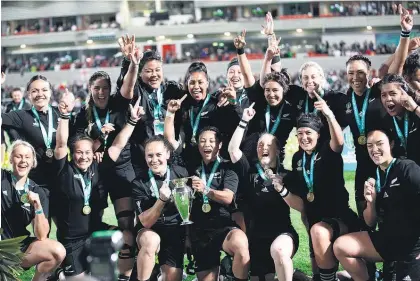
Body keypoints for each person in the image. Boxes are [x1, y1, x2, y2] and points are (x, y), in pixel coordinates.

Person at [282, 94, 359, 281]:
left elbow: (339, 143)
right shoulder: (298, 159)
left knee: (318, 231)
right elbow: (299, 193)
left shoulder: (327, 149)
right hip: (315, 220)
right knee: (315, 233)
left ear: (318, 134)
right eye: (300, 133)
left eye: (308, 133)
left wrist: (329, 115)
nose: (304, 137)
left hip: (339, 217)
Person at [72, 71, 136, 279]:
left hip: (121, 170)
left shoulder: (118, 106)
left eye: (105, 88)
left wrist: (132, 64)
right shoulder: (82, 115)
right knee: (92, 223)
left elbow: (128, 85)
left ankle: (126, 275)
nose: (101, 92)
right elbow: (81, 148)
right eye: (96, 88)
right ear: (90, 90)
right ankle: (95, 269)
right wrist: (98, 138)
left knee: (127, 223)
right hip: (95, 173)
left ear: (110, 89)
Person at [334, 129, 420, 281]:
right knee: (341, 246)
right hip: (387, 240)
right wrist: (371, 201)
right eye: (369, 146)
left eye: (379, 144)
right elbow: (370, 222)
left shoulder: (407, 168)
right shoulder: (375, 175)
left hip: (412, 246)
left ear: (391, 144)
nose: (374, 150)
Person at [228, 103, 299, 281]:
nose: (263, 148)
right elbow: (233, 150)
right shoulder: (249, 171)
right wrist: (244, 120)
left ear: (277, 149)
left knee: (280, 251)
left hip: (282, 234)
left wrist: (282, 189)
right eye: (260, 145)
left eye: (269, 145)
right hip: (255, 239)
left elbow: (301, 206)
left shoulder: (286, 175)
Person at [52, 89, 110, 277]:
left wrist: (101, 136)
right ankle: (59, 274)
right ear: (71, 153)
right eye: (79, 152)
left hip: (93, 236)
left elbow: (98, 146)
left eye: (87, 152)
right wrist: (64, 115)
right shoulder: (63, 170)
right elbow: (61, 144)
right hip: (71, 241)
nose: (84, 156)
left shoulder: (96, 168)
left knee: (124, 237)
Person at [116, 36, 184, 175]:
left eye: (157, 70)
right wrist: (129, 62)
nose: (154, 75)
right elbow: (127, 86)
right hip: (142, 158)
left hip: (169, 157)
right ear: (140, 74)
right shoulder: (137, 92)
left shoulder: (172, 90)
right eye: (148, 71)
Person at [189, 126, 250, 281]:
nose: (206, 144)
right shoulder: (191, 167)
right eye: (202, 141)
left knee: (241, 245)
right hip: (199, 230)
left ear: (220, 144)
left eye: (211, 141)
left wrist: (206, 190)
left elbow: (228, 197)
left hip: (223, 226)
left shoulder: (228, 167)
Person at [1, 140, 66, 281]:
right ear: (11, 158)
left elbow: (42, 235)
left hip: (17, 248)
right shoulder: (2, 177)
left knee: (57, 251)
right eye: (18, 156)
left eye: (27, 157)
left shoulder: (38, 192)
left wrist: (37, 205)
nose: (23, 160)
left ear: (33, 162)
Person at [164, 62, 240, 173]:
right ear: (186, 83)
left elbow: (233, 125)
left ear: (207, 83)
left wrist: (233, 102)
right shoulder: (182, 105)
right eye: (192, 83)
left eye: (200, 82)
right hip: (189, 157)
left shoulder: (216, 103)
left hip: (212, 158)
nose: (196, 87)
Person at [131, 135, 189, 281]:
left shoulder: (181, 174)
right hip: (149, 230)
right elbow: (145, 222)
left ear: (168, 154)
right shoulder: (139, 182)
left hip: (174, 231)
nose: (154, 160)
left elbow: (189, 209)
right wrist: (161, 200)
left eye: (158, 155)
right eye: (149, 156)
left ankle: (156, 272)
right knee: (151, 240)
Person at [2, 75, 60, 196]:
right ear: (29, 95)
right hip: (36, 183)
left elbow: (80, 135)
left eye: (44, 90)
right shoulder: (22, 116)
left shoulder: (61, 113)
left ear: (50, 92)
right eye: (35, 91)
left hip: (62, 181)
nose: (40, 94)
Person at [379, 73, 420, 165]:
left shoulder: (416, 109)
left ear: (404, 94)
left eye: (392, 93)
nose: (388, 99)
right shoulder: (385, 121)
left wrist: (415, 108)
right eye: (383, 95)